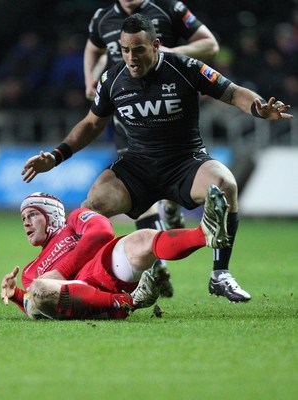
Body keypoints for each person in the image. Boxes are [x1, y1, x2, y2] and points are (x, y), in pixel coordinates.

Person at [21, 14, 293, 303]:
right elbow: (91, 124)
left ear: (156, 45)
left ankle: (220, 274)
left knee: (225, 184)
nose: (131, 57)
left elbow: (232, 92)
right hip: (137, 167)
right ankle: (84, 280)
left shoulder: (185, 67)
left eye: (138, 49)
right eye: (125, 50)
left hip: (185, 162)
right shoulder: (113, 79)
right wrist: (55, 155)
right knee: (91, 209)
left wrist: (257, 108)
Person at [84, 0, 220, 297]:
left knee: (161, 180)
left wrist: (173, 54)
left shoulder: (170, 9)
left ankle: (168, 213)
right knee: (138, 195)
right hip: (128, 116)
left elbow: (209, 44)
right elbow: (93, 47)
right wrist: (89, 77)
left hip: (169, 118)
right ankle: (156, 268)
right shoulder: (102, 18)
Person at [1, 186, 229, 320]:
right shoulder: (30, 271)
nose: (26, 223)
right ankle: (125, 302)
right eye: (23, 219)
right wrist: (17, 296)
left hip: (101, 268)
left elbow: (101, 232)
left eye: (32, 215)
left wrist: (61, 271)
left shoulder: (74, 220)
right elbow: (37, 307)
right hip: (79, 299)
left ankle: (205, 234)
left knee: (142, 238)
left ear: (51, 215)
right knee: (39, 288)